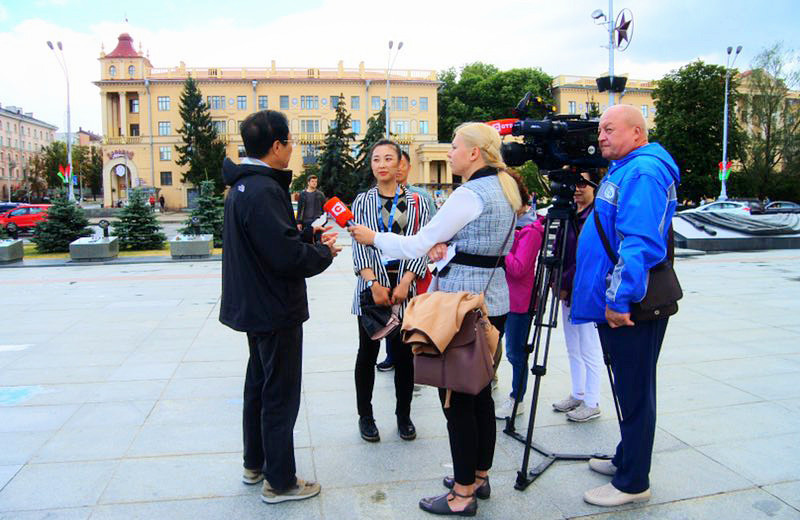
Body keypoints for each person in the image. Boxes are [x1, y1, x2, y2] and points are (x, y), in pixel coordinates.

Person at [350, 122, 523, 516]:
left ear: (474, 153)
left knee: (456, 400)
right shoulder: (504, 187)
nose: (450, 152)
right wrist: (448, 248)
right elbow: (479, 246)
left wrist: (373, 238)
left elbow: (417, 243)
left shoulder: (469, 193)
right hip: (494, 300)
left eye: (456, 146)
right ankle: (478, 476)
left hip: (461, 307)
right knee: (480, 393)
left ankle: (461, 494)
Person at [219, 109, 340, 505]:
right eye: (289, 142)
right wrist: (322, 253)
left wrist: (306, 236)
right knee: (280, 395)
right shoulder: (263, 190)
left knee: (258, 385)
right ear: (276, 145)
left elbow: (270, 242)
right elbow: (285, 258)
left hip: (255, 307)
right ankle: (281, 481)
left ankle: (255, 464)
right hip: (274, 308)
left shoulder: (242, 186)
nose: (292, 149)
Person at [572, 104, 680, 507]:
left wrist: (619, 299)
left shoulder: (643, 172)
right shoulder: (626, 168)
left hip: (631, 306)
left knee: (635, 393)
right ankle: (625, 457)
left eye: (610, 129)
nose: (600, 136)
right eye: (600, 129)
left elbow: (639, 242)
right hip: (618, 302)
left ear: (637, 133)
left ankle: (633, 483)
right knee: (628, 388)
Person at [350, 139, 431, 444]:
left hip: (405, 288)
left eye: (388, 158)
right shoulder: (362, 201)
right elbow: (360, 245)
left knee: (404, 356)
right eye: (376, 159)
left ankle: (404, 415)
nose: (382, 164)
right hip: (372, 289)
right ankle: (366, 416)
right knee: (367, 353)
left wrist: (407, 281)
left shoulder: (417, 202)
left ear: (400, 164)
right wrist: (373, 283)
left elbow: (422, 243)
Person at [375, 150, 438, 373]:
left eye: (402, 164)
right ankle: (391, 356)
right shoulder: (377, 198)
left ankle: (414, 357)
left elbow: (431, 231)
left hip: (412, 268)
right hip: (385, 268)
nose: (398, 168)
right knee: (388, 315)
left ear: (408, 167)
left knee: (411, 317)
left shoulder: (421, 197)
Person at [551, 169, 605, 423]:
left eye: (583, 183)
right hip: (566, 289)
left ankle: (592, 401)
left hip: (585, 290)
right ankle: (578, 392)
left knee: (589, 346)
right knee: (573, 345)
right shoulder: (569, 213)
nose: (577, 188)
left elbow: (588, 257)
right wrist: (557, 281)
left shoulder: (597, 216)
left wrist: (567, 282)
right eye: (574, 183)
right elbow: (558, 251)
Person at [494, 175, 545, 420]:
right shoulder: (512, 224)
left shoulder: (530, 229)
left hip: (519, 302)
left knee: (516, 353)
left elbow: (518, 268)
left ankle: (517, 398)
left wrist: (502, 246)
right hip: (500, 296)